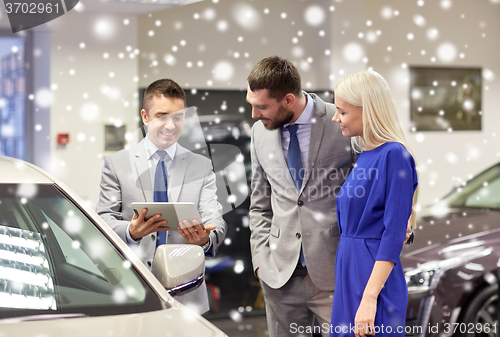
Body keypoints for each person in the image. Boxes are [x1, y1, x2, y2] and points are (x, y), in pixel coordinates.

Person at [96, 78, 227, 314]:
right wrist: (130, 231)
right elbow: (102, 218)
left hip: (187, 292)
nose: (170, 125)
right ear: (145, 117)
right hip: (132, 289)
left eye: (178, 117)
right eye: (162, 116)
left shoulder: (202, 166)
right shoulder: (117, 164)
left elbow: (215, 218)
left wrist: (205, 239)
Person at [247, 56, 356, 337]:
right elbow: (259, 205)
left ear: (288, 100)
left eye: (261, 106)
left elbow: (380, 177)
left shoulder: (340, 120)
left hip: (334, 273)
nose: (254, 115)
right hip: (278, 276)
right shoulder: (259, 133)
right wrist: (260, 261)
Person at [329, 70, 418, 337]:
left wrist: (369, 299)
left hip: (372, 278)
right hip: (350, 270)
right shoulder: (366, 155)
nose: (336, 118)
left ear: (367, 110)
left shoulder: (394, 155)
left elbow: (392, 233)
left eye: (342, 112)